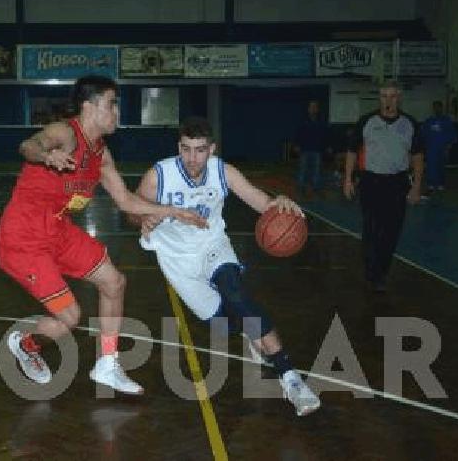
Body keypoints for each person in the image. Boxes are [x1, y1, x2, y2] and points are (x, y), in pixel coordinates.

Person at [0, 74, 208, 395]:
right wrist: (46, 155)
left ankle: (107, 364)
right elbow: (28, 145)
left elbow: (125, 200)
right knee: (70, 317)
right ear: (89, 107)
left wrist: (172, 211)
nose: (117, 113)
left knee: (114, 282)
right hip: (23, 237)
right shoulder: (65, 133)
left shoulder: (101, 155)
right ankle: (26, 344)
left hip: (57, 230)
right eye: (112, 104)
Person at [127, 116, 321, 417]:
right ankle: (250, 333)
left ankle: (290, 377)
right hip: (175, 258)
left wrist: (278, 202)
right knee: (220, 322)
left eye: (200, 150)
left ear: (212, 149)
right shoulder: (159, 175)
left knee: (236, 294)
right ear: (178, 146)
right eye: (186, 149)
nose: (192, 158)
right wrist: (143, 219)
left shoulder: (223, 172)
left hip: (211, 244)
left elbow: (258, 200)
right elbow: (132, 210)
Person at [343, 80, 425, 293]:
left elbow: (417, 156)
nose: (388, 100)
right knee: (371, 229)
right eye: (384, 96)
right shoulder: (366, 122)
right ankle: (371, 270)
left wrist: (416, 186)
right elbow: (352, 151)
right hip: (371, 182)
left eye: (393, 96)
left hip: (397, 183)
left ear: (399, 98)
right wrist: (348, 179)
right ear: (379, 98)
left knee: (391, 231)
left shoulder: (410, 124)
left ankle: (381, 273)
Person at [293, 100, 329, 197]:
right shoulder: (302, 121)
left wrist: (326, 147)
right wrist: (296, 145)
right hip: (304, 149)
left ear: (317, 109)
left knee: (317, 170)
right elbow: (298, 133)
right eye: (311, 107)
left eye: (315, 107)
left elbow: (324, 135)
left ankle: (316, 188)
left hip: (317, 149)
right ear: (308, 109)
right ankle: (300, 188)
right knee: (302, 169)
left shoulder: (321, 122)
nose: (313, 109)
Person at [423, 100, 457, 192]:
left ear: (441, 108)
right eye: (435, 107)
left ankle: (441, 183)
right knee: (431, 167)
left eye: (439, 107)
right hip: (431, 149)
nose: (437, 109)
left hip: (442, 148)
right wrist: (425, 147)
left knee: (441, 166)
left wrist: (448, 147)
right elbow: (424, 135)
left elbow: (452, 135)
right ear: (433, 108)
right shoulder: (429, 121)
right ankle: (431, 184)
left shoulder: (447, 121)